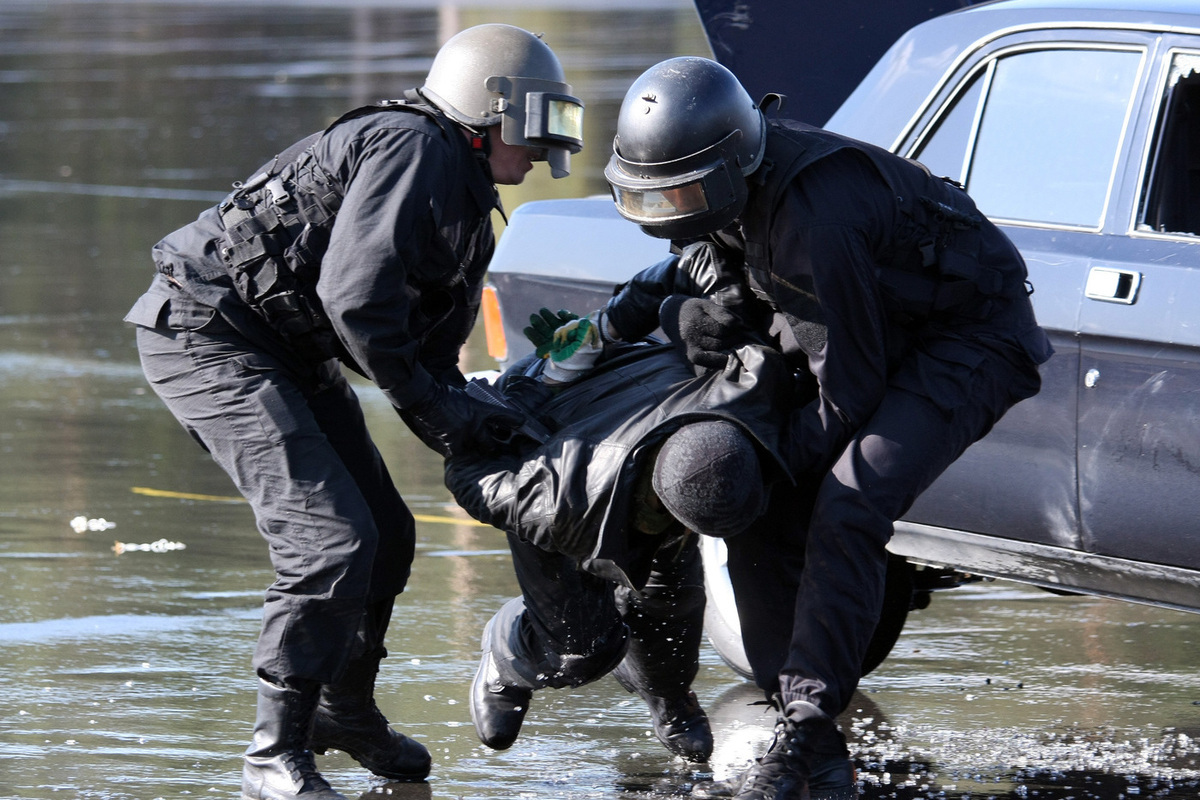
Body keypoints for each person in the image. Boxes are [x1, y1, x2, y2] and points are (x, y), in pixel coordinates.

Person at [123, 24, 583, 800]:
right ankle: (273, 753)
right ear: (488, 110)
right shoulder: (417, 151)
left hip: (281, 348)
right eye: (532, 133)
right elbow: (359, 302)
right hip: (208, 336)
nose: (539, 154)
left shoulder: (464, 190)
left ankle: (342, 709)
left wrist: (470, 413)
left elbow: (425, 347)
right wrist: (434, 411)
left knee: (387, 533)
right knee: (330, 542)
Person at [578, 56, 1054, 800]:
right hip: (876, 326)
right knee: (755, 506)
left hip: (968, 340)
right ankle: (816, 744)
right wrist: (691, 317)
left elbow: (850, 394)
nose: (673, 206)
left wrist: (769, 458)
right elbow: (718, 265)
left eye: (684, 191)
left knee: (848, 503)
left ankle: (802, 732)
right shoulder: (731, 187)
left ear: (732, 165)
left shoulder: (814, 213)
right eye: (658, 193)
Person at [443, 292, 799, 763]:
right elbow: (466, 472)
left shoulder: (749, 390)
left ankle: (668, 695)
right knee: (579, 650)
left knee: (672, 601)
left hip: (643, 423)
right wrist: (512, 404)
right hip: (551, 457)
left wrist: (619, 323)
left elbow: (671, 275)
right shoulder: (549, 501)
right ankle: (509, 657)